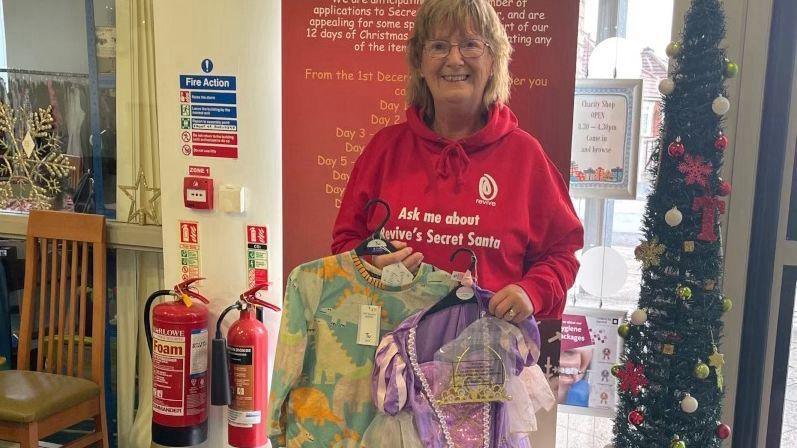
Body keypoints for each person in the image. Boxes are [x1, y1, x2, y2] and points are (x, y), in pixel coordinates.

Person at [331, 0, 583, 321]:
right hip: (388, 354)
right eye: (438, 46)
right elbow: (345, 243)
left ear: (493, 60)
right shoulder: (384, 149)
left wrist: (530, 291)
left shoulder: (526, 156)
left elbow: (562, 253)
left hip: (487, 358)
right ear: (419, 63)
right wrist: (370, 260)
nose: (454, 59)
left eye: (470, 45)